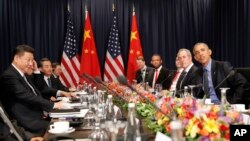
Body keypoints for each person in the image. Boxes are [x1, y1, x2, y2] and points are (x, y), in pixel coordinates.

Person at [0, 45, 64, 136]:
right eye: (28, 60)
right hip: (27, 122)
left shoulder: (24, 75)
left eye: (32, 60)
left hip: (40, 116)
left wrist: (36, 70)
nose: (31, 63)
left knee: (69, 121)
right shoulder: (9, 76)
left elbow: (39, 90)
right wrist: (53, 105)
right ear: (16, 58)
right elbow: (26, 95)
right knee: (64, 129)